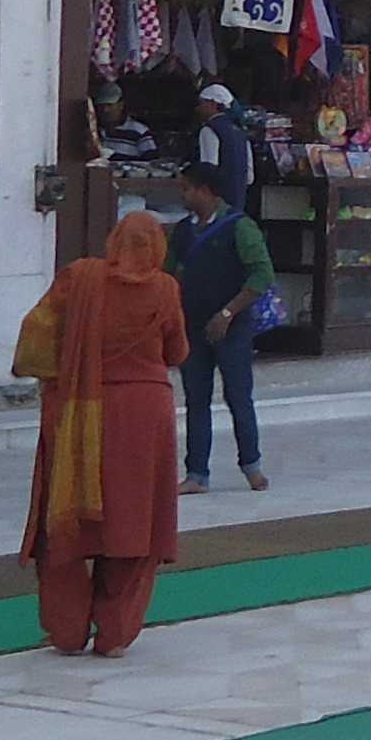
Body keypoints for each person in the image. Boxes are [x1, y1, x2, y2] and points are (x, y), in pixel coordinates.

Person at [9, 207, 185, 655]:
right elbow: (176, 352)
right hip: (145, 416)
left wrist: (67, 369)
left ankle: (67, 631)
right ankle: (114, 634)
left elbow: (36, 332)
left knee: (65, 522)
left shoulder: (80, 277)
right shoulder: (165, 288)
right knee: (133, 525)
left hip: (78, 413)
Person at [165, 159, 276, 493]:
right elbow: (168, 275)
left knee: (238, 396)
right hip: (193, 326)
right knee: (196, 398)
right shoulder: (183, 231)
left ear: (206, 191)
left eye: (186, 188)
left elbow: (261, 274)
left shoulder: (240, 227)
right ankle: (197, 473)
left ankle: (251, 465)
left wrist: (228, 313)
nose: (182, 195)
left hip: (233, 327)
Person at [188, 81, 255, 212]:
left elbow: (208, 167)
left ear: (213, 104)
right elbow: (250, 177)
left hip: (218, 199)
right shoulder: (240, 131)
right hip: (238, 199)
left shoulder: (210, 129)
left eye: (202, 103)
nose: (198, 108)